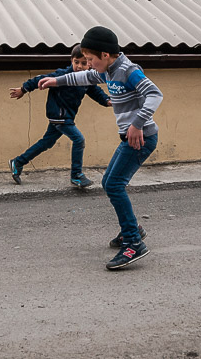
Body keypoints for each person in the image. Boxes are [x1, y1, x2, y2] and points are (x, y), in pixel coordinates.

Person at [39, 26, 162, 270]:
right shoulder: (108, 70)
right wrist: (57, 80)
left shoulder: (128, 70)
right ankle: (132, 228)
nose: (89, 65)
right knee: (109, 182)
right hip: (130, 138)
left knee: (114, 185)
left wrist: (137, 125)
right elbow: (82, 77)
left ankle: (134, 242)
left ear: (105, 55)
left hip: (141, 137)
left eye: (91, 60)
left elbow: (155, 94)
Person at [9, 44, 111, 188]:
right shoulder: (62, 75)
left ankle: (18, 162)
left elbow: (96, 92)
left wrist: (107, 101)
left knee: (46, 143)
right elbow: (40, 79)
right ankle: (76, 175)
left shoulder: (86, 79)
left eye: (83, 63)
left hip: (67, 117)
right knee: (79, 140)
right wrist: (23, 89)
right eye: (76, 62)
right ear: (71, 60)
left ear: (90, 63)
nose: (79, 67)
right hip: (59, 116)